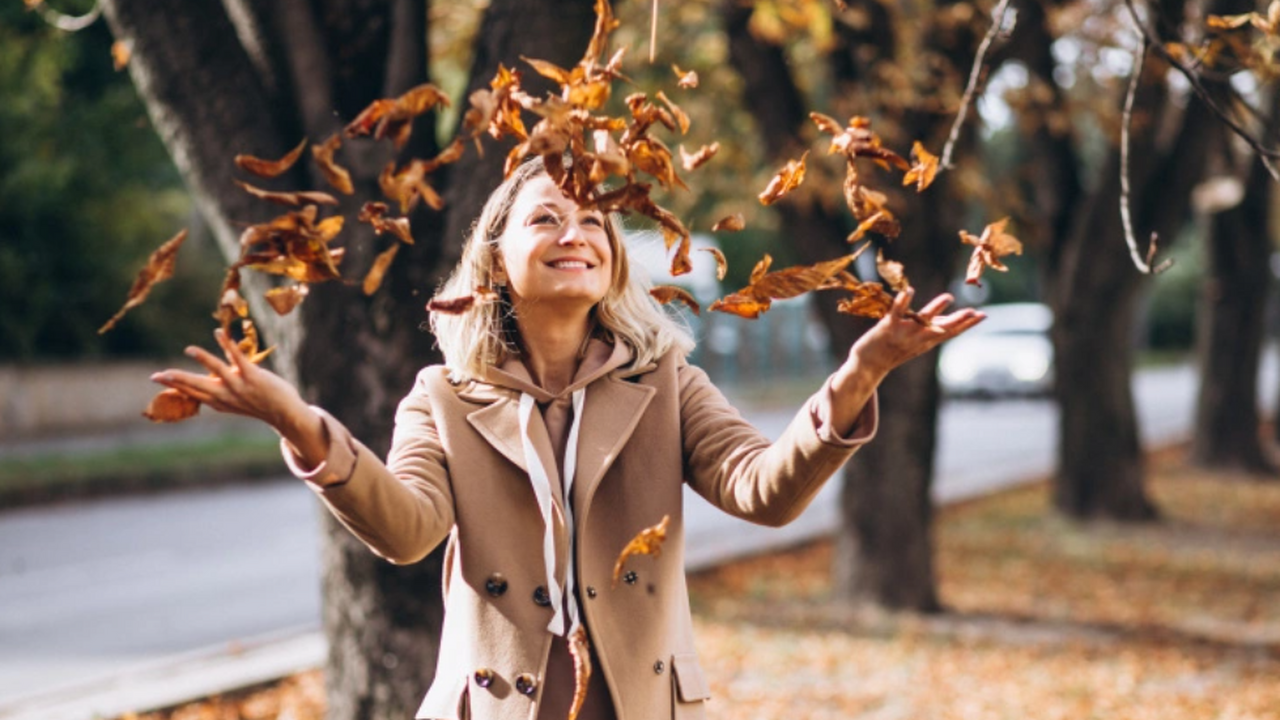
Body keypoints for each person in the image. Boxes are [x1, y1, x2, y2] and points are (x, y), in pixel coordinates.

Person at [151, 156, 984, 720]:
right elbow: (407, 530)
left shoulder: (666, 382)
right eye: (544, 218)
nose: (574, 233)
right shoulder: (441, 397)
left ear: (614, 263)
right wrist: (297, 422)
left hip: (637, 703)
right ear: (496, 262)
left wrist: (857, 379)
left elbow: (762, 492)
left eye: (591, 221)